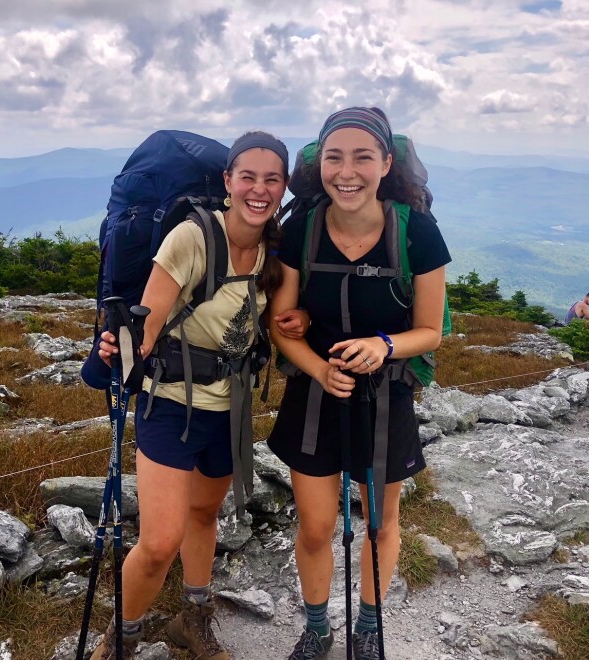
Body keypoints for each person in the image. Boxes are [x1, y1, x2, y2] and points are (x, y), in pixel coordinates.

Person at [85, 132, 294, 660]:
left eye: (272, 179)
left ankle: (192, 620)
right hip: (171, 405)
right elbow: (148, 327)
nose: (259, 189)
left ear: (284, 186)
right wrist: (123, 345)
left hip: (232, 408)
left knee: (205, 516)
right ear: (228, 181)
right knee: (158, 542)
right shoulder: (191, 237)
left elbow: (280, 322)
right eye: (248, 176)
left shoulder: (277, 250)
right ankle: (122, 639)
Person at [267, 107, 451, 660]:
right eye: (334, 158)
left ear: (386, 163)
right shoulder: (303, 227)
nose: (347, 171)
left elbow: (431, 330)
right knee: (317, 526)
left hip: (384, 396)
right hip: (313, 395)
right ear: (319, 165)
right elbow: (282, 323)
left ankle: (368, 627)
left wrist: (384, 346)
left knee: (379, 524)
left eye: (362, 157)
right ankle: (318, 627)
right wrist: (317, 365)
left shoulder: (415, 230)